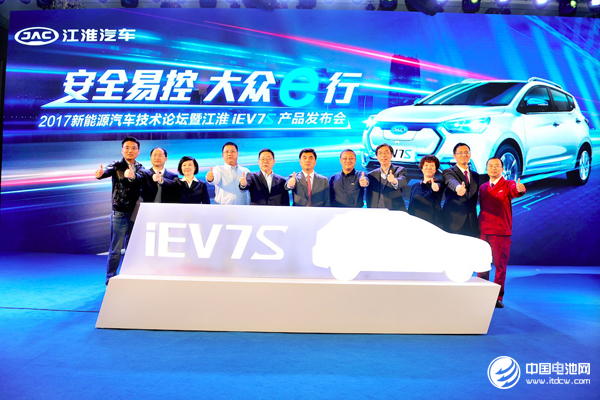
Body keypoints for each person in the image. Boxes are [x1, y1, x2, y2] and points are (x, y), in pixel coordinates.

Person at [477, 157, 526, 308]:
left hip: (500, 232)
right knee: (482, 265)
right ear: (486, 169)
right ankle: (481, 295)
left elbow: (515, 191)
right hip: (483, 231)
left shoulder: (508, 184)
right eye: (490, 166)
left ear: (502, 169)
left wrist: (520, 189)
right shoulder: (483, 187)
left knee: (500, 267)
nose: (493, 168)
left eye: (497, 166)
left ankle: (497, 297)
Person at [94, 136, 143, 285]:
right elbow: (106, 171)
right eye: (127, 148)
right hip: (119, 213)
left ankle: (129, 275)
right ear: (122, 150)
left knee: (132, 249)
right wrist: (100, 174)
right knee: (116, 249)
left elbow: (141, 180)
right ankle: (110, 279)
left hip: (135, 213)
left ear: (138, 151)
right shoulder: (116, 165)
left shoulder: (141, 167)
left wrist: (133, 176)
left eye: (133, 148)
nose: (130, 151)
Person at [442, 143, 480, 237]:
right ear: (454, 156)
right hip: (453, 222)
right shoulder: (448, 172)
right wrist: (458, 188)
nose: (464, 155)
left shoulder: (475, 175)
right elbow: (451, 181)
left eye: (466, 152)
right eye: (460, 153)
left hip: (472, 223)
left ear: (470, 155)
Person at [365, 144, 408, 211]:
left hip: (394, 210)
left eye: (386, 153)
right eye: (380, 153)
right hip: (375, 211)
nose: (383, 155)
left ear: (391, 155)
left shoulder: (400, 170)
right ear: (377, 157)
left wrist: (394, 181)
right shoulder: (371, 174)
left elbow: (402, 181)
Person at [408, 155, 445, 227]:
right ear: (422, 168)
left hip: (433, 223)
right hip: (416, 223)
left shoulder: (439, 183)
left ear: (435, 169)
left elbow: (438, 187)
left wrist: (435, 187)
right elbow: (411, 206)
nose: (429, 168)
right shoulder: (415, 186)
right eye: (426, 165)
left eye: (432, 165)